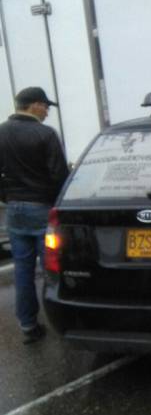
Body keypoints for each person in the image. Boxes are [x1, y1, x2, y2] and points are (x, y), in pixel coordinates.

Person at [0, 87, 69, 344]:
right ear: (35, 105)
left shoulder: (1, 132)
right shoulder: (45, 134)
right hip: (42, 208)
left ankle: (28, 325)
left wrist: (7, 197)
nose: (47, 112)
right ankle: (62, 320)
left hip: (14, 210)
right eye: (46, 106)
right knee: (53, 268)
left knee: (23, 269)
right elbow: (59, 176)